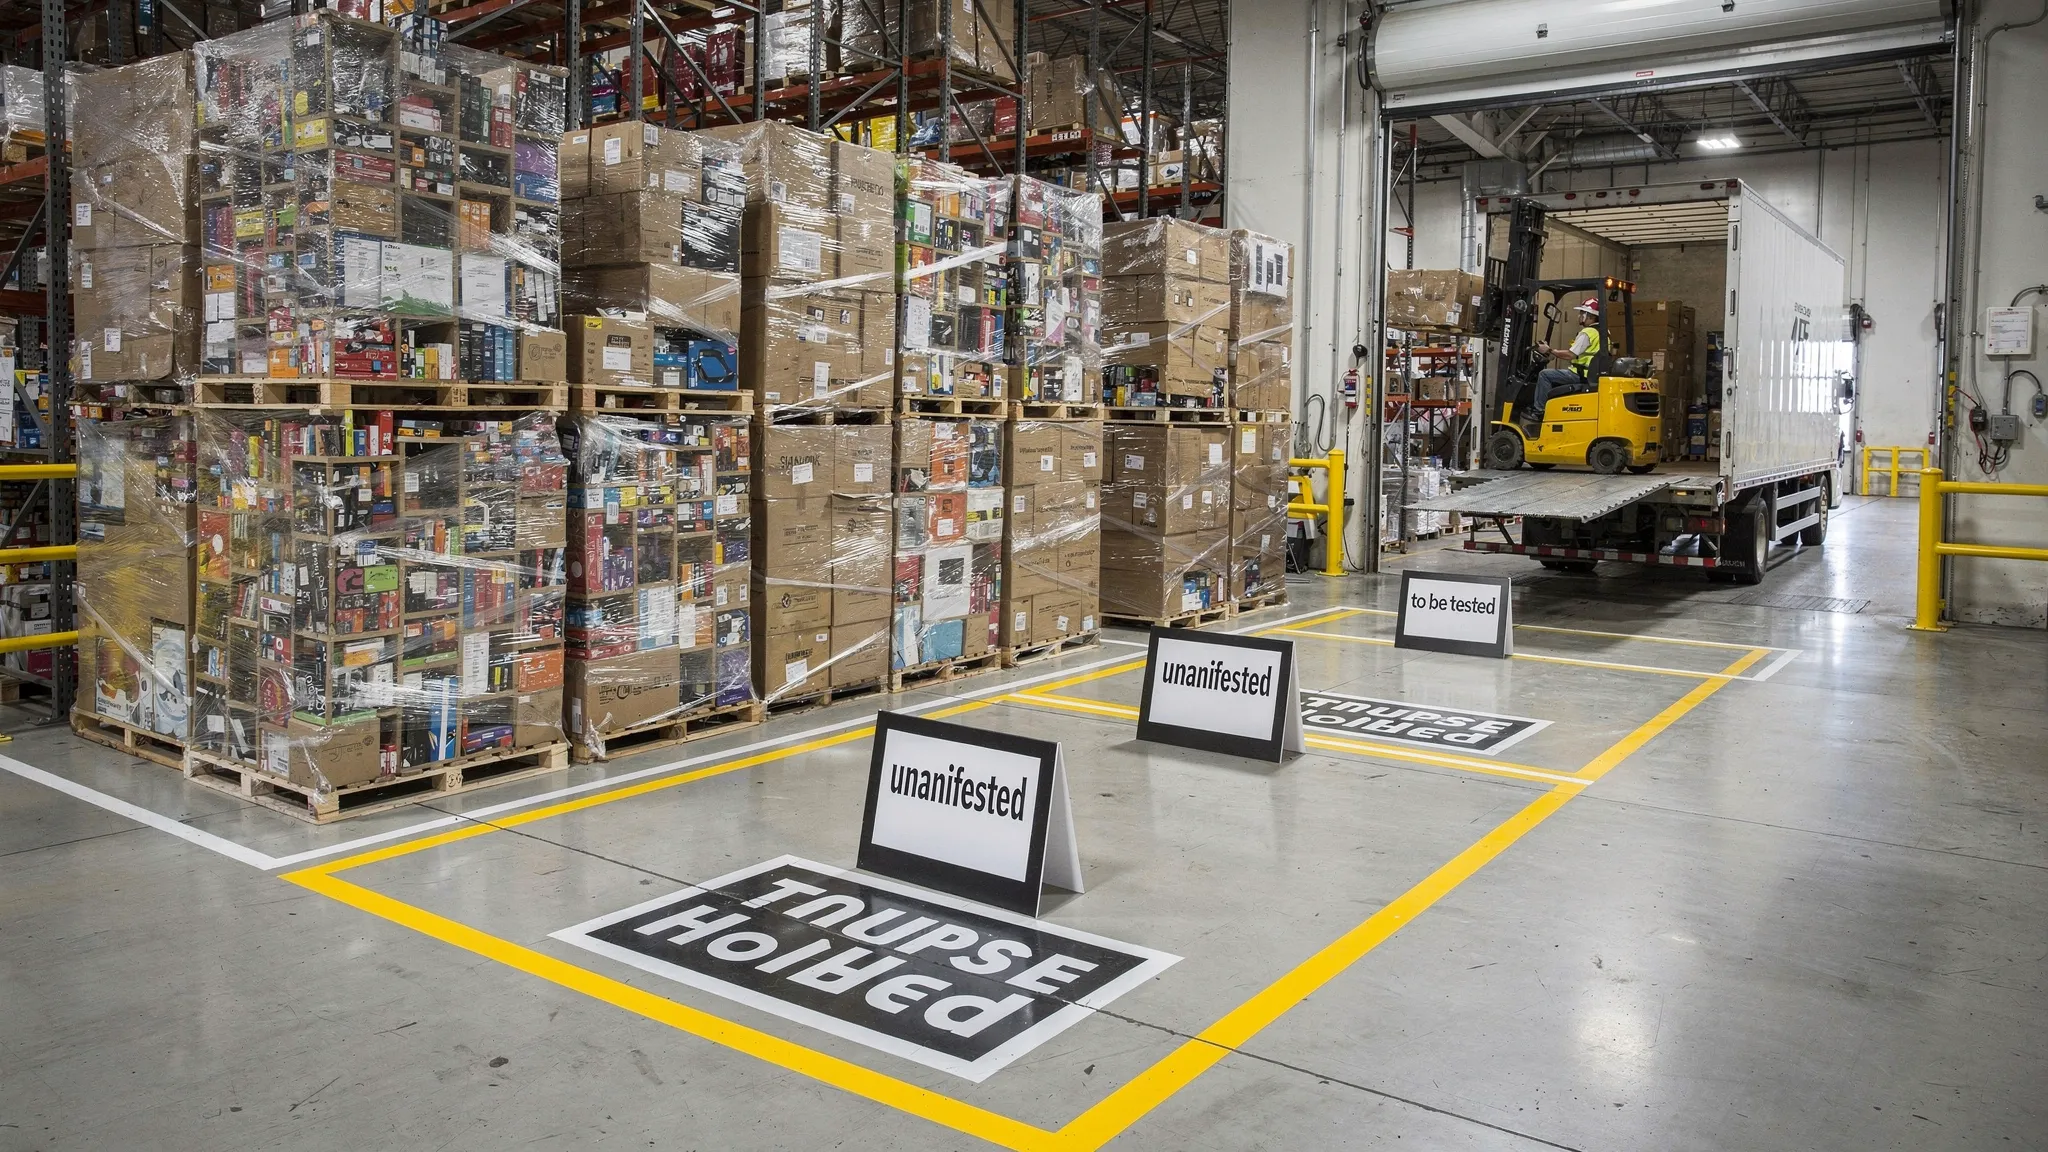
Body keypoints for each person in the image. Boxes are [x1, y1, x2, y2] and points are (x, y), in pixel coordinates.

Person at [1524, 298, 1603, 432]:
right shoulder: (1603, 333)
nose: (1579, 316)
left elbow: (1570, 355)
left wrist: (1549, 350)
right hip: (1591, 374)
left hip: (1580, 375)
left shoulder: (1587, 333)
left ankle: (1539, 412)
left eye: (1582, 313)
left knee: (1544, 375)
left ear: (1589, 316)